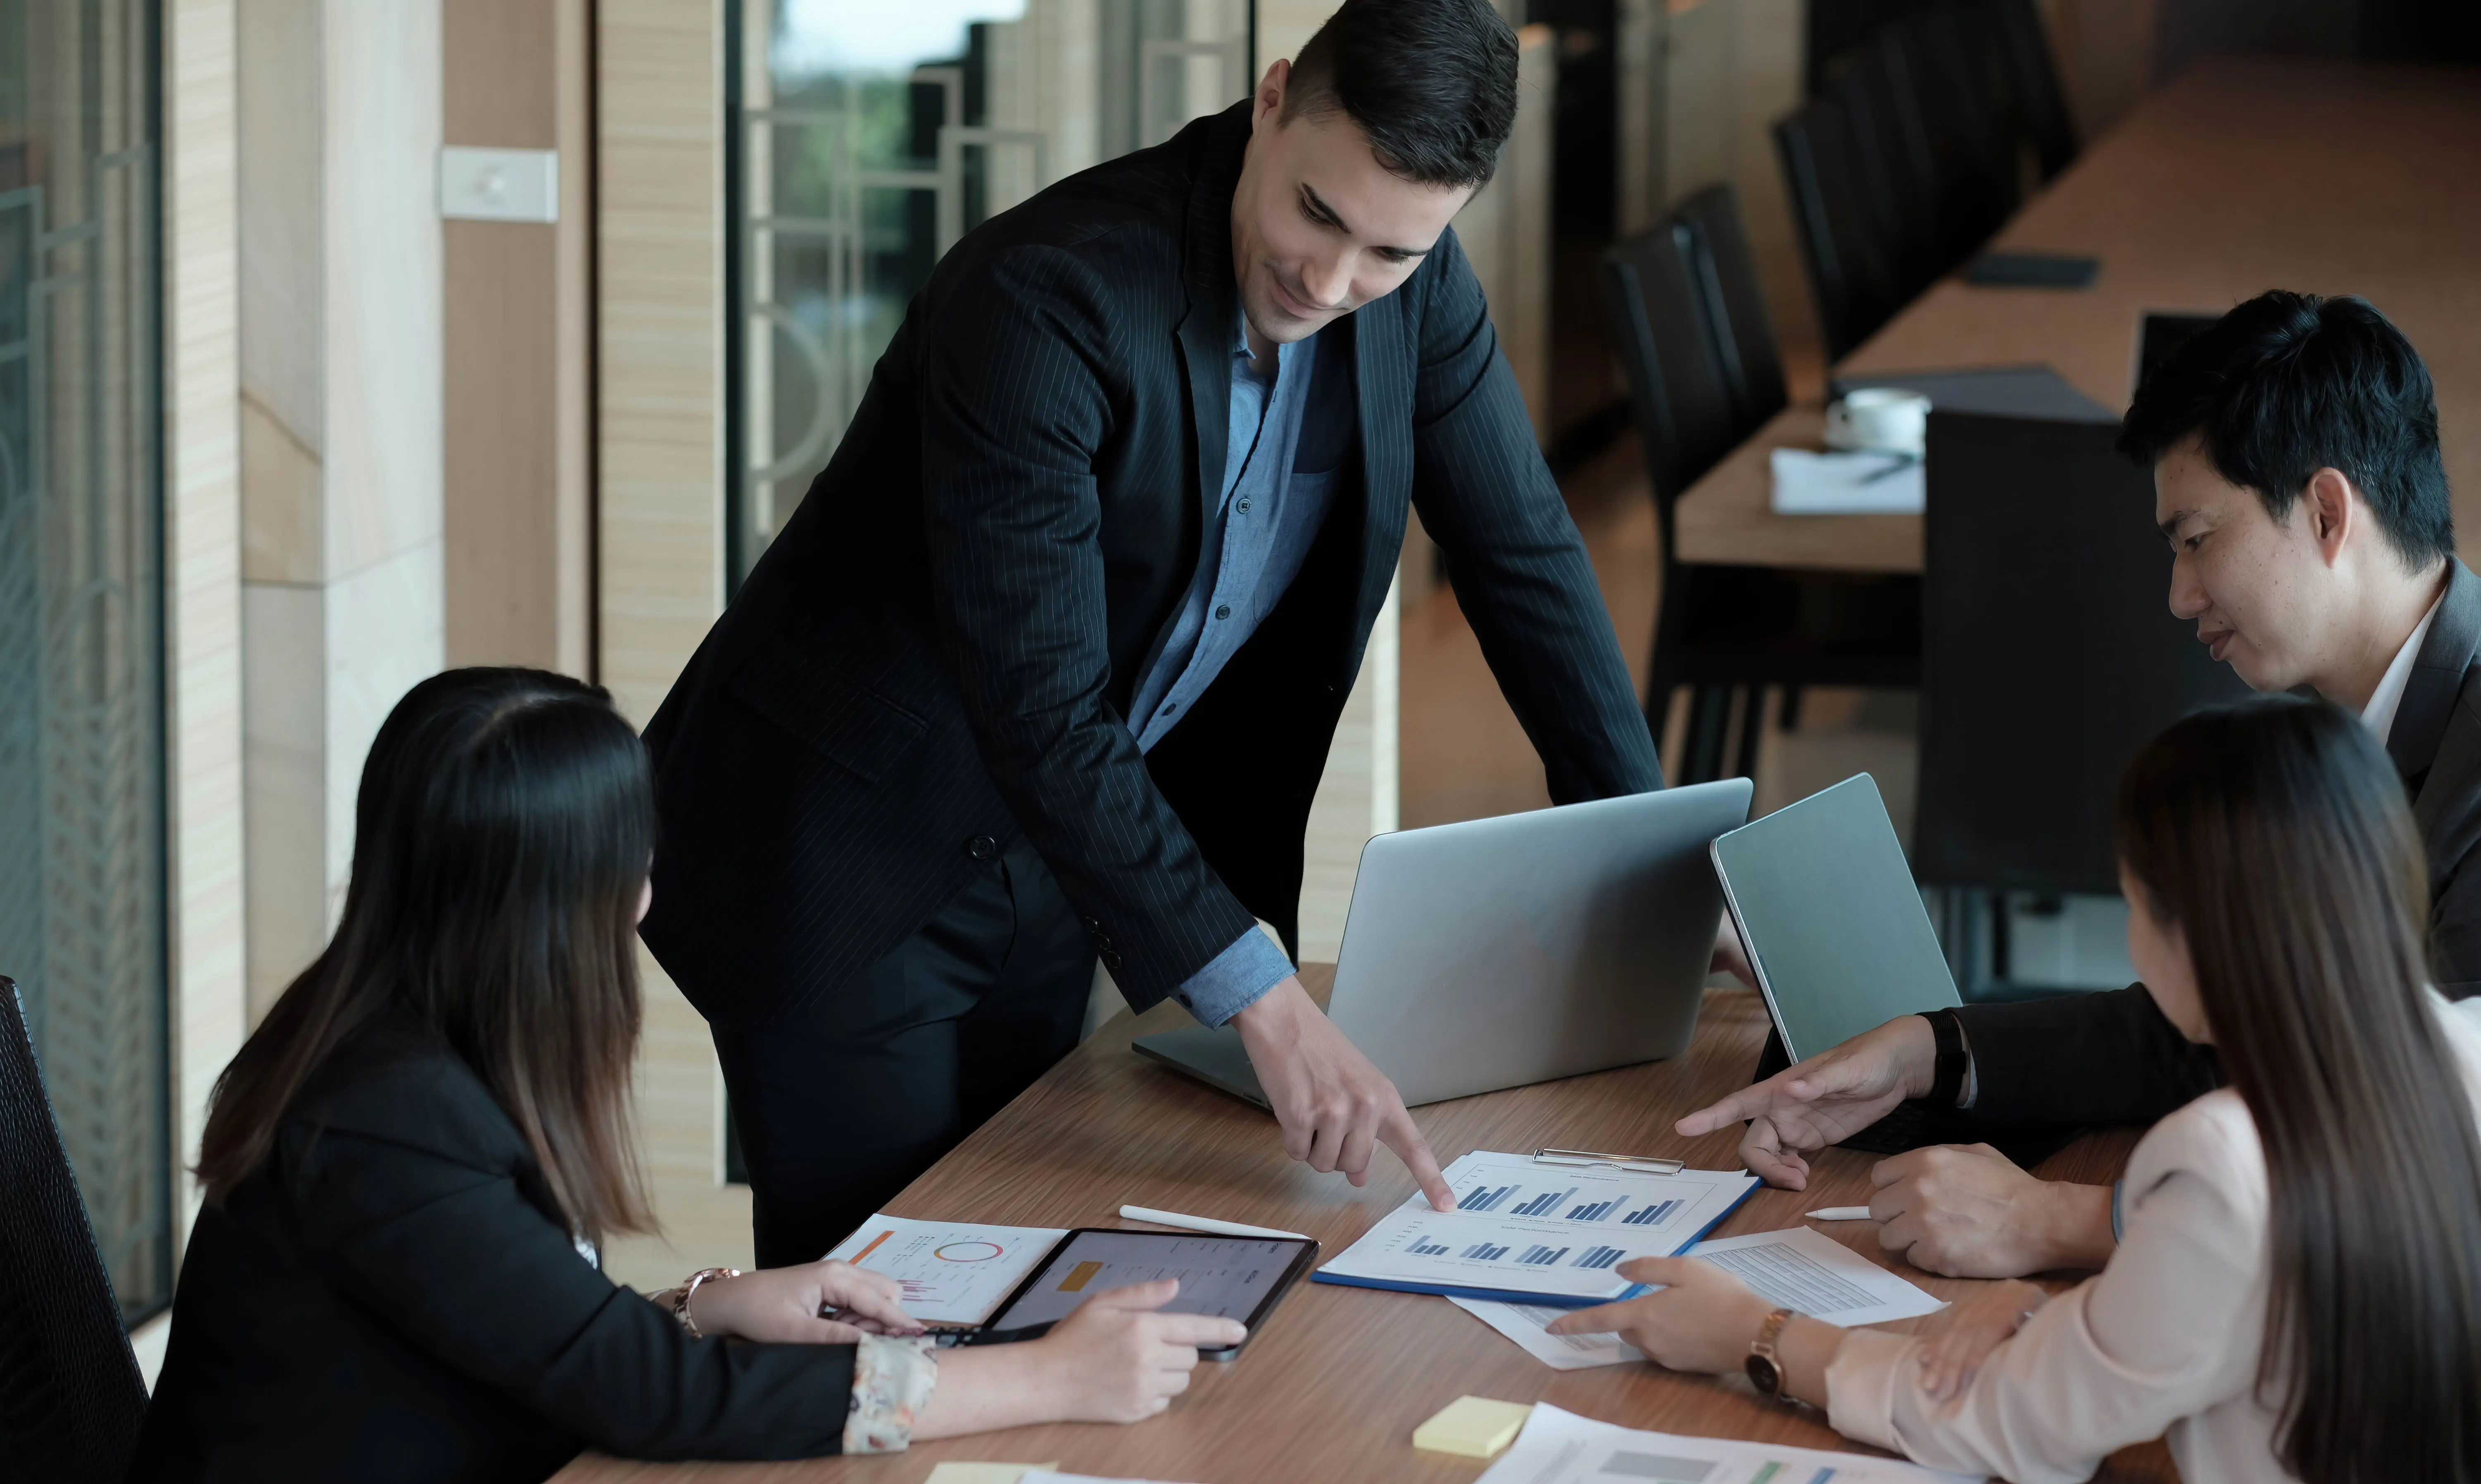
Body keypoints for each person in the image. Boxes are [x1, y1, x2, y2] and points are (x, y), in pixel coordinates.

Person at [640, 0, 1665, 1267]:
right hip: (849, 847)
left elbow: (1524, 557)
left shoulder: (1418, 286)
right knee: (874, 1292)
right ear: (1274, 98)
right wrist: (1270, 1005)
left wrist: (1657, 857)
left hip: (1056, 845)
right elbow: (1044, 703)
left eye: (1388, 254)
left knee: (1001, 1244)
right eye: (1316, 215)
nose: (1333, 282)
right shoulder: (1049, 294)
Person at [130, 669, 1241, 1483]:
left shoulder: (401, 1037)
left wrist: (702, 1304)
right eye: (636, 858)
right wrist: (1046, 1379)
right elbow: (645, 1397)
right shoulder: (386, 1119)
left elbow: (501, 1312)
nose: (650, 893)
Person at [1680, 290, 2481, 1277]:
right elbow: (2223, 1024)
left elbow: (2427, 1162)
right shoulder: (2342, 722)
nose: (2180, 596)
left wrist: (2070, 1223)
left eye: (2196, 540)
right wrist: (1926, 1052)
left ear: (2325, 511)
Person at [1555, 698, 2481, 1484]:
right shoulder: (2461, 1053)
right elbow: (2252, 1315)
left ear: (2189, 928)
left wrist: (1750, 1334)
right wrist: (2062, 1318)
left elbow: (2012, 1427)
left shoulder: (2220, 1162)